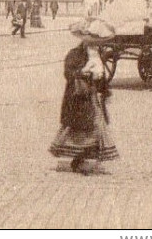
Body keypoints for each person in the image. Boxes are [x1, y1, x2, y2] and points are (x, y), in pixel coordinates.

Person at [49, 28, 119, 174]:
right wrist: (82, 72)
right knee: (77, 129)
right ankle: (79, 158)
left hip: (91, 97)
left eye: (96, 43)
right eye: (92, 43)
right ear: (85, 42)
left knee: (96, 127)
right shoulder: (74, 54)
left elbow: (102, 77)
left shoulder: (97, 57)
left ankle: (83, 158)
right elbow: (68, 73)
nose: (94, 46)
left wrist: (104, 90)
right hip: (77, 98)